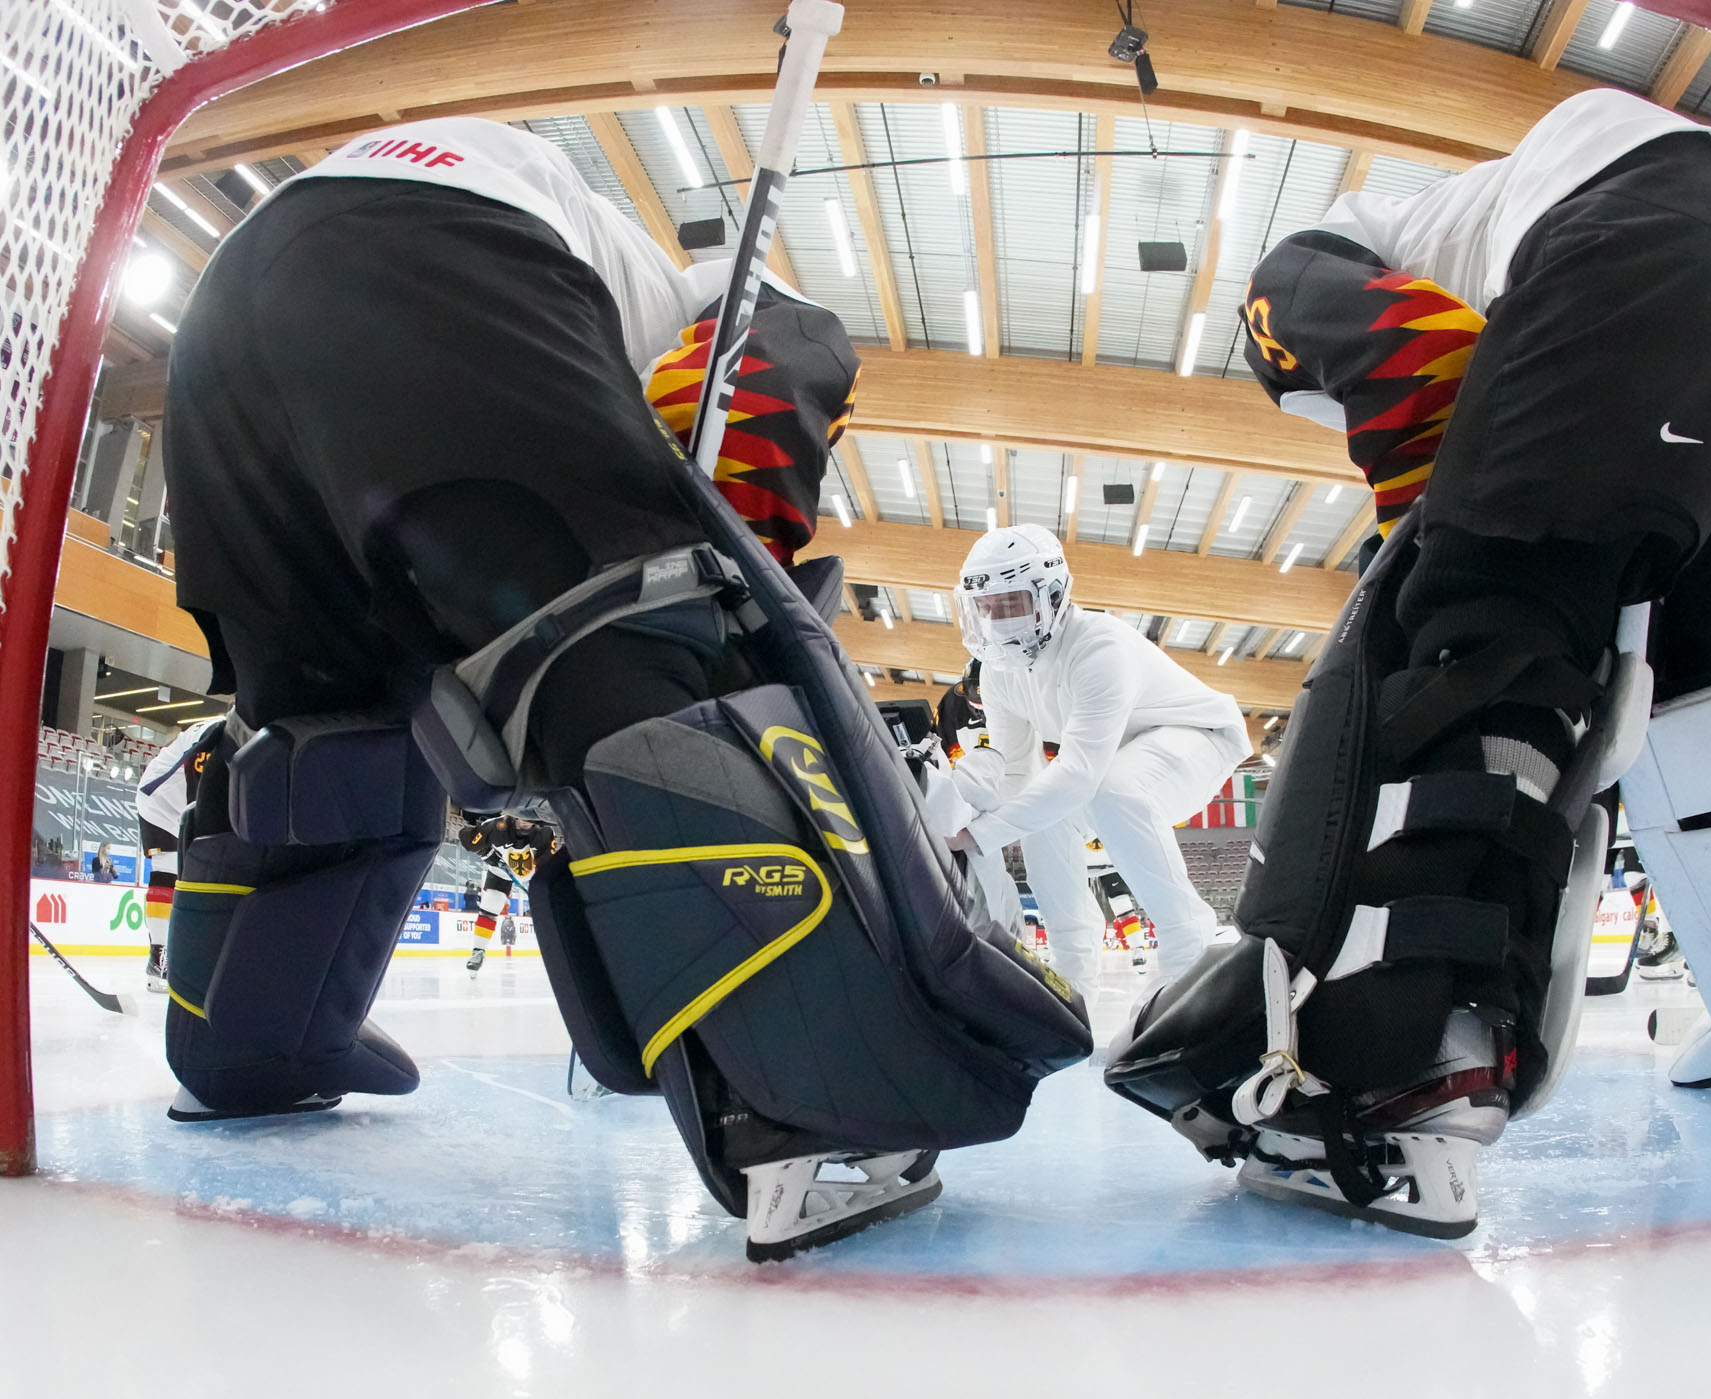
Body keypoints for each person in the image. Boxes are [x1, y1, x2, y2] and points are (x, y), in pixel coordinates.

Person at [156, 110, 1086, 1259]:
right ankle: (810, 1106)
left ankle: (253, 1053)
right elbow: (793, 344)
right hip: (433, 248)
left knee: (319, 737)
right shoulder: (697, 291)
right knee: (616, 646)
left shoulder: (586, 290)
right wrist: (726, 596)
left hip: (222, 330)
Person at [1105, 88, 1711, 1237]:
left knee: (1481, 630)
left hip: (1645, 234)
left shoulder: (1319, 260)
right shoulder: (1494, 227)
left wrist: (1461, 544)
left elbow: (1397, 367)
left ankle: (1397, 1066)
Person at [946, 525, 1253, 999]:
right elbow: (1012, 771)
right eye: (985, 606)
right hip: (1112, 760)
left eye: (1010, 603)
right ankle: (1072, 988)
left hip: (1195, 735)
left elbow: (1080, 774)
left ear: (1050, 595)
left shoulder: (1099, 646)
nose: (994, 618)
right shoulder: (998, 673)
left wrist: (978, 835)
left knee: (1113, 790)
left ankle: (1187, 951)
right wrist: (958, 814)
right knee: (1043, 819)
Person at [134, 718, 224, 994]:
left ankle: (178, 956)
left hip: (178, 801)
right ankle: (159, 959)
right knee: (167, 871)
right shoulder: (217, 733)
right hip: (159, 801)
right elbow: (200, 794)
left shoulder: (240, 732)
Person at [455, 813, 556, 974]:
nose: (525, 822)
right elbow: (469, 841)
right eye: (521, 816)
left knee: (552, 904)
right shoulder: (495, 826)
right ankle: (478, 951)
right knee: (491, 903)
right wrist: (487, 855)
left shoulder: (544, 833)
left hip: (532, 875)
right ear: (512, 815)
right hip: (500, 873)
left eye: (529, 819)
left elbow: (548, 861)